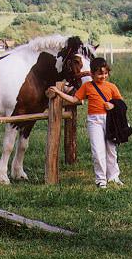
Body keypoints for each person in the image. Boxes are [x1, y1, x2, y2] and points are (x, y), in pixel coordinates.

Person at [50, 57, 124, 189]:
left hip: (109, 120)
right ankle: (101, 179)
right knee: (97, 151)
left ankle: (113, 177)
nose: (103, 76)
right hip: (94, 121)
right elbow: (74, 99)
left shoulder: (111, 87)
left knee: (111, 150)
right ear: (92, 73)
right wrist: (59, 93)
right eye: (99, 73)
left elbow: (121, 104)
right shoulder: (87, 87)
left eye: (105, 73)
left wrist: (112, 105)